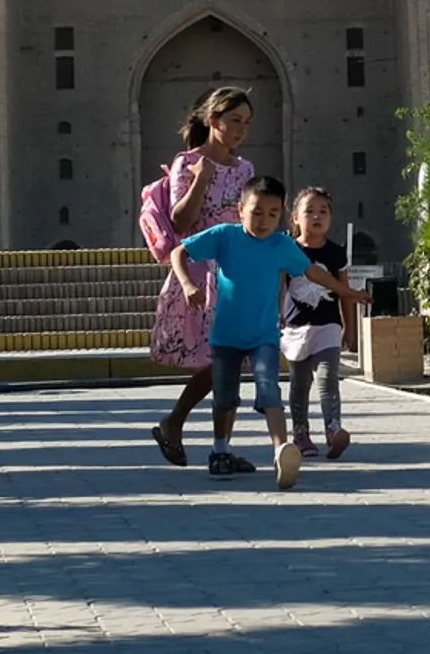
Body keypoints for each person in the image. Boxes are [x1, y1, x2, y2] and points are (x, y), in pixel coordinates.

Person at [141, 86, 255, 467]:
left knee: (233, 362)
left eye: (247, 122)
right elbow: (180, 221)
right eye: (234, 120)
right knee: (221, 360)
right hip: (200, 272)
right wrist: (201, 179)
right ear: (213, 121)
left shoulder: (245, 170)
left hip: (236, 273)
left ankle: (216, 446)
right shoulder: (186, 164)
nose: (241, 129)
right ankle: (177, 424)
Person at [167, 175, 310, 480]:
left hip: (264, 336)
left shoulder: (281, 244)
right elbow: (179, 252)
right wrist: (188, 284)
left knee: (269, 387)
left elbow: (310, 272)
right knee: (224, 396)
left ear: (282, 214)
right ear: (241, 209)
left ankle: (281, 452)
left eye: (273, 214)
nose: (264, 221)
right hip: (227, 336)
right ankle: (219, 451)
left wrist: (346, 292)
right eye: (257, 212)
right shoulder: (225, 236)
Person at [277, 185, 368, 469]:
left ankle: (333, 430)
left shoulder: (336, 253)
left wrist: (349, 329)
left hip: (328, 326)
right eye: (309, 211)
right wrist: (275, 318)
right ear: (295, 218)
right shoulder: (288, 250)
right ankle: (301, 434)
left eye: (323, 211)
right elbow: (279, 287)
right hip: (295, 329)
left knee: (328, 378)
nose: (317, 216)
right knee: (299, 384)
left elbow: (345, 291)